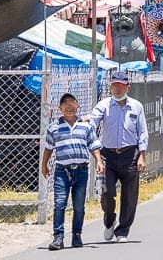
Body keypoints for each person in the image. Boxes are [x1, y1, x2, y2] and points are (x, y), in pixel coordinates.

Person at [88, 69, 148, 243]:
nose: (117, 89)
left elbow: (142, 133)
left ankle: (123, 231)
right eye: (114, 86)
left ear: (127, 87)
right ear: (110, 87)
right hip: (108, 155)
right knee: (107, 192)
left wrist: (142, 156)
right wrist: (87, 122)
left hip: (130, 155)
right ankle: (109, 220)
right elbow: (94, 120)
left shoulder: (136, 106)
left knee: (130, 195)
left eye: (121, 86)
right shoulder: (104, 105)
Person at [42, 93, 103, 251]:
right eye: (65, 104)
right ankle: (58, 237)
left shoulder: (86, 127)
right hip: (62, 172)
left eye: (72, 103)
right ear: (60, 108)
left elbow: (94, 145)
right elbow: (48, 148)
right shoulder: (53, 128)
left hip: (81, 171)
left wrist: (99, 161)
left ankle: (77, 234)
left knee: (79, 205)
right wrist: (44, 165)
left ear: (77, 106)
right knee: (59, 204)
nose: (69, 106)